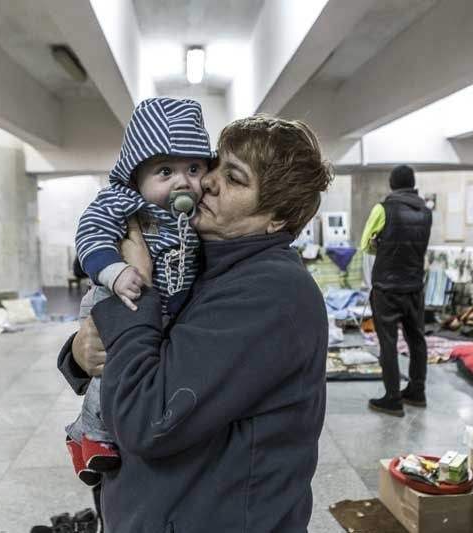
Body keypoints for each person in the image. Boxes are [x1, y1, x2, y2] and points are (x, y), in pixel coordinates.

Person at [57, 115, 333, 532]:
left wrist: (138, 291)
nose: (207, 182)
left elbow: (148, 419)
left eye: (235, 179)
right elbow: (158, 354)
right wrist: (80, 354)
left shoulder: (270, 291)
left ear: (276, 218)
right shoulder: (205, 261)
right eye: (216, 165)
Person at [66, 98, 212, 485]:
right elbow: (91, 235)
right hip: (115, 296)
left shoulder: (197, 217)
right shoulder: (123, 202)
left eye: (194, 169)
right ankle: (89, 436)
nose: (183, 182)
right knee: (110, 370)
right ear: (135, 177)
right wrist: (114, 271)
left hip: (158, 312)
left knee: (131, 373)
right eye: (165, 171)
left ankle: (93, 433)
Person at [360, 164, 432, 417]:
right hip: (414, 287)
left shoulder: (383, 208)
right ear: (413, 184)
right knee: (417, 340)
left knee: (388, 344)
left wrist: (378, 245)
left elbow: (365, 245)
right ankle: (417, 391)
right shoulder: (426, 211)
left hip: (387, 289)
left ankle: (392, 398)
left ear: (391, 183)